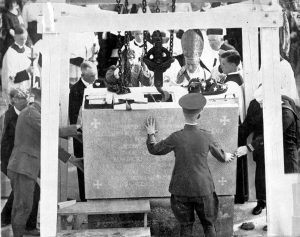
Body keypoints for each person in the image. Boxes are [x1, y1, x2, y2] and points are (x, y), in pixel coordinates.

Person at [145, 93, 234, 237]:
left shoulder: (176, 137)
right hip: (203, 188)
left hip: (181, 189)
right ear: (200, 114)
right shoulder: (207, 136)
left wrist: (150, 134)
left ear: (183, 112)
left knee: (185, 226)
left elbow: (154, 149)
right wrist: (226, 156)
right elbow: (221, 156)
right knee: (209, 225)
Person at [7, 88, 82, 237]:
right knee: (23, 207)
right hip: (23, 166)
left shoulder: (34, 113)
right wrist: (77, 128)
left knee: (23, 206)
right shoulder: (31, 113)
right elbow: (50, 132)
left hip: (25, 167)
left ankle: (21, 232)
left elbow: (49, 141)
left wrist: (71, 159)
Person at [235, 85, 299, 218]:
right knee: (262, 176)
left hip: (285, 151)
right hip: (264, 147)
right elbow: (247, 126)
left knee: (289, 187)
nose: (261, 106)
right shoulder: (258, 103)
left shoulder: (286, 113)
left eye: (263, 103)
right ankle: (263, 203)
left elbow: (270, 135)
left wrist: (248, 148)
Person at [1, 88, 39, 236]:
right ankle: (24, 227)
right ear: (13, 100)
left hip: (21, 161)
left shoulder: (27, 113)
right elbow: (4, 144)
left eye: (25, 96)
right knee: (24, 196)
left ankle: (9, 219)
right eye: (20, 97)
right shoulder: (9, 116)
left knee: (22, 195)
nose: (24, 99)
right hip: (12, 161)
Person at [69, 61, 97, 202]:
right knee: (82, 164)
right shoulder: (75, 90)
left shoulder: (98, 85)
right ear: (83, 74)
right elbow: (73, 115)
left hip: (96, 131)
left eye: (96, 75)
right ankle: (84, 196)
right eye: (91, 76)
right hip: (81, 134)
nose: (94, 79)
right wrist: (80, 132)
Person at [1, 26, 40, 105]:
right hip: (16, 92)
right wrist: (27, 71)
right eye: (21, 39)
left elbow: (35, 69)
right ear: (15, 37)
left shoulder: (29, 51)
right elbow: (11, 77)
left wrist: (35, 76)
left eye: (25, 38)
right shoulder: (10, 53)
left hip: (28, 90)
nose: (24, 41)